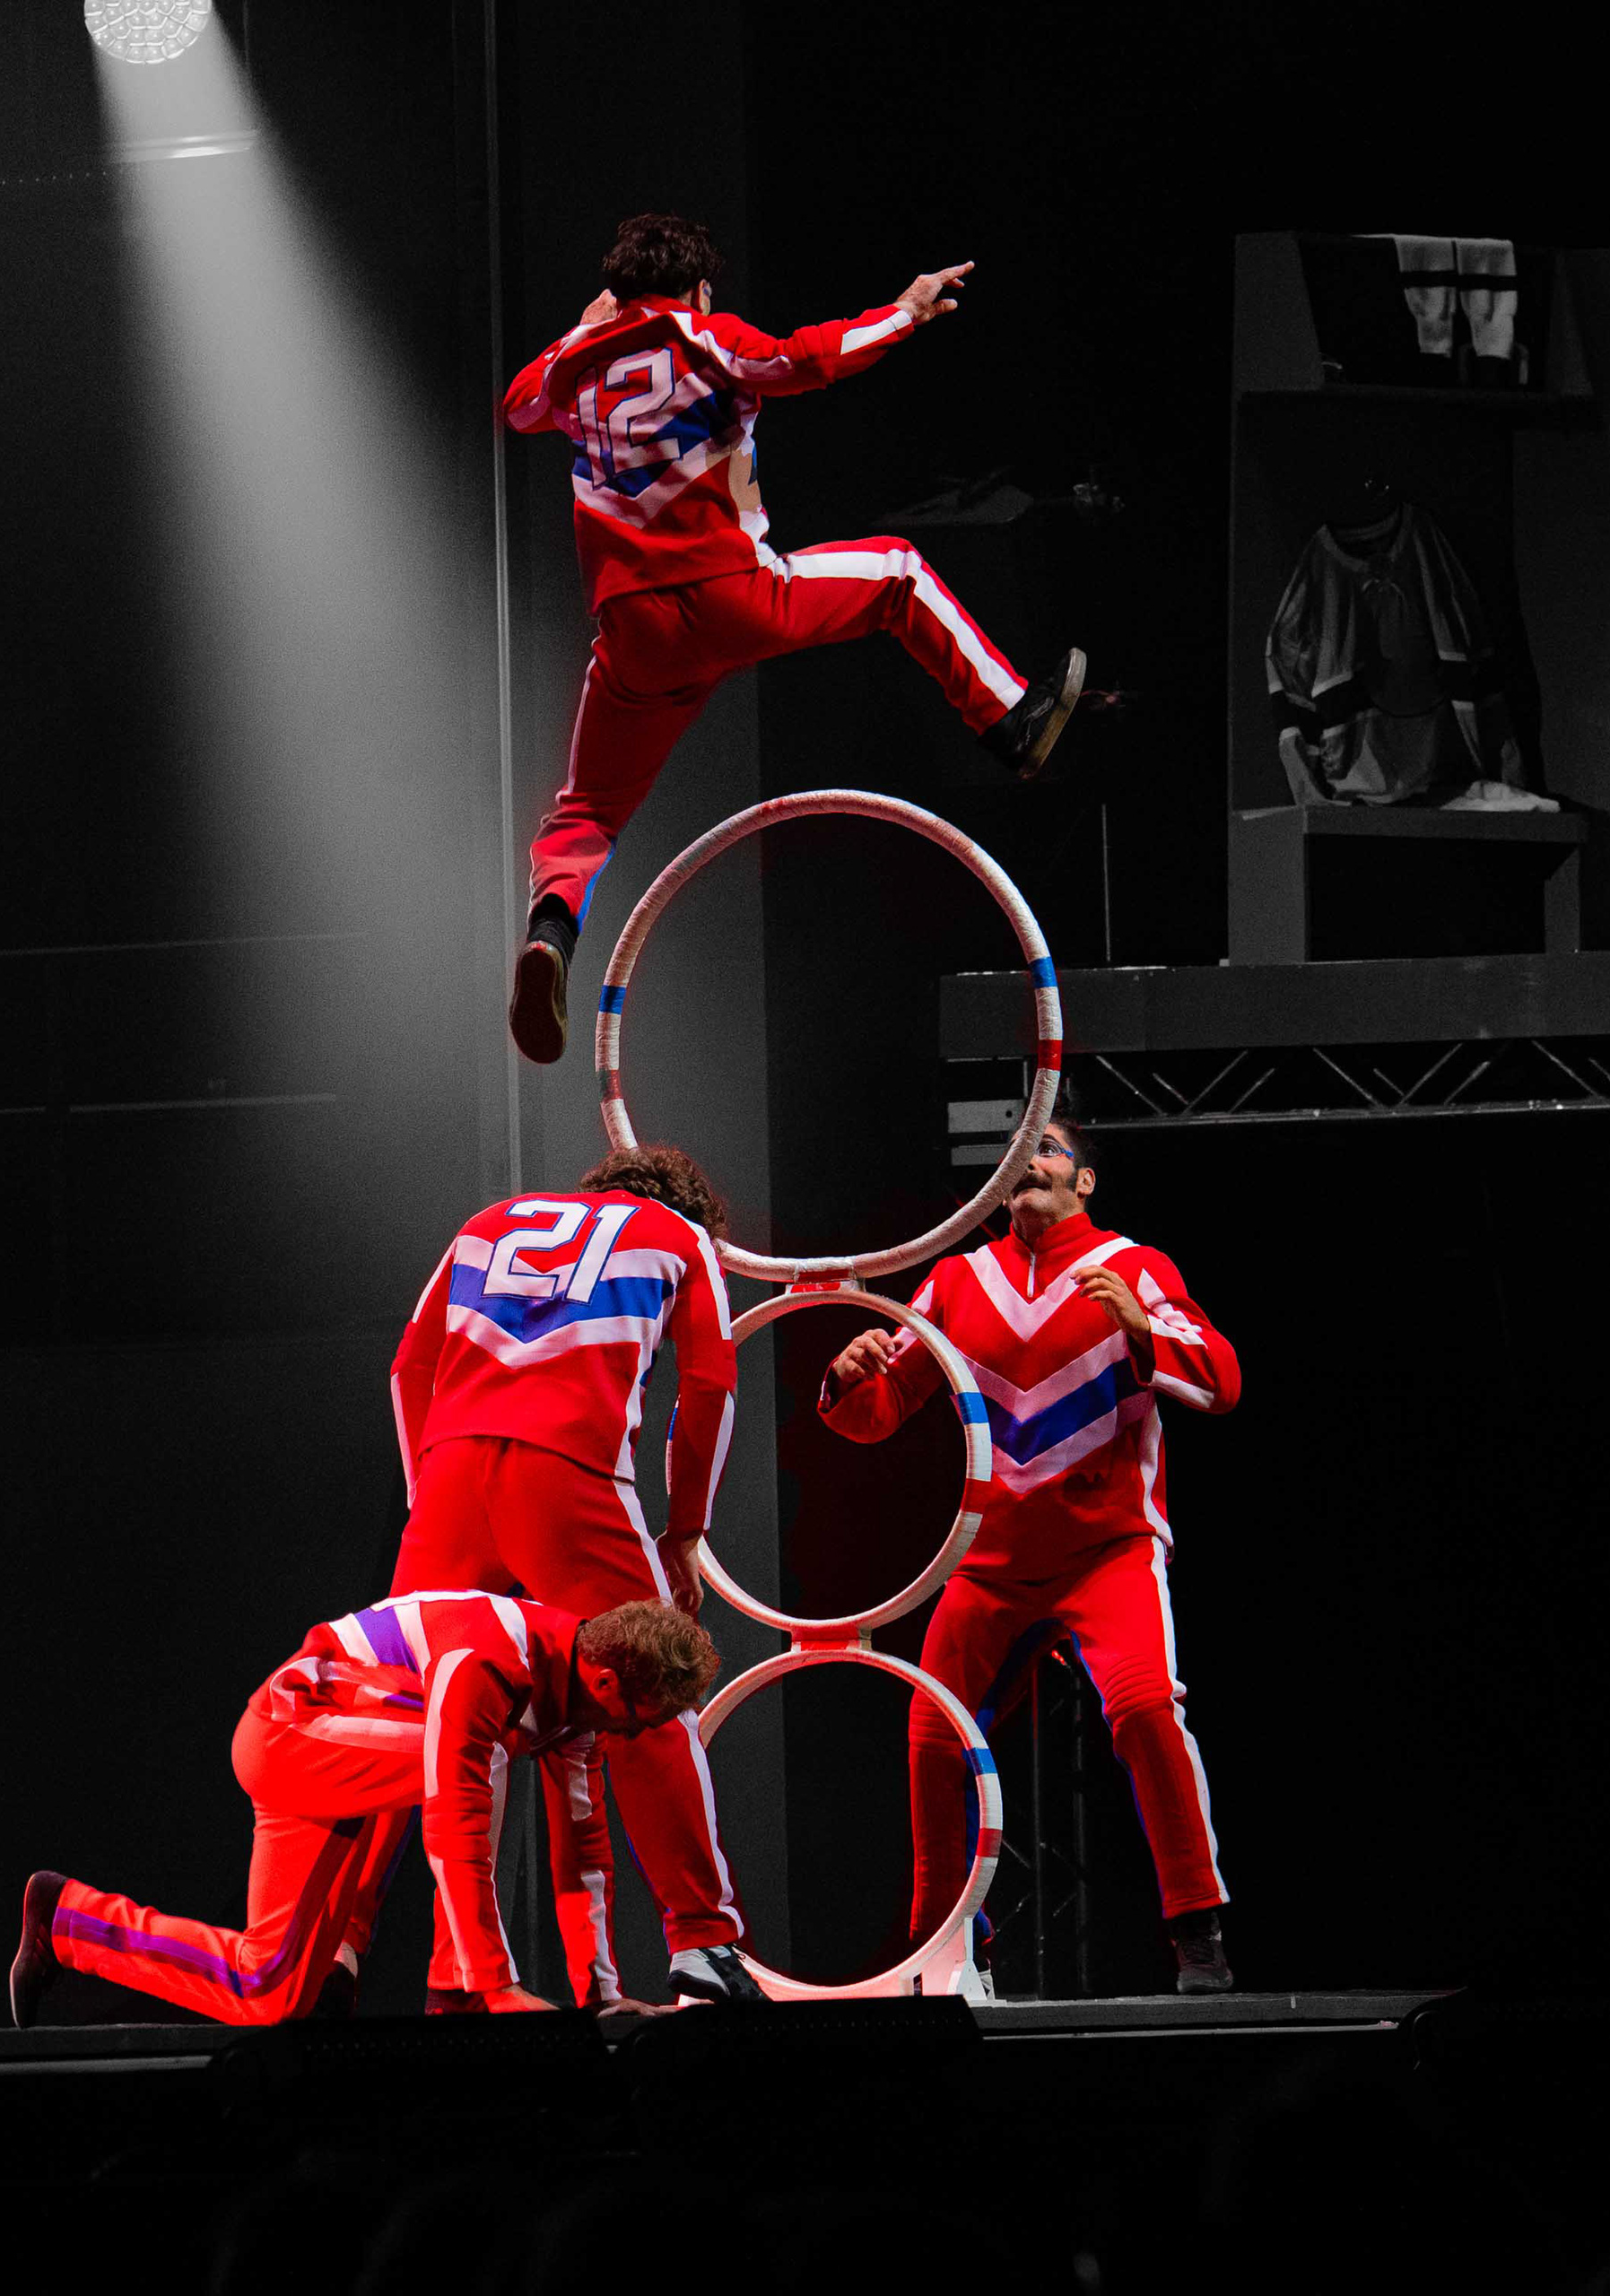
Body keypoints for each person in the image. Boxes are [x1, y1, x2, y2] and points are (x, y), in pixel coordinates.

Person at [498, 211, 1100, 1065]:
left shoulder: (573, 365)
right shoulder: (702, 335)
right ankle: (1012, 723)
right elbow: (806, 359)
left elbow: (517, 408)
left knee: (587, 809)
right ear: (699, 288)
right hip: (732, 596)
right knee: (897, 573)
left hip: (633, 632)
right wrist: (905, 313)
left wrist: (583, 329)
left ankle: (551, 934)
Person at [816, 1117, 1244, 1991]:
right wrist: (844, 1377)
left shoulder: (1133, 1265)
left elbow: (1222, 1381)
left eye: (1049, 1148)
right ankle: (947, 1952)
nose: (1029, 1161)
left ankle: (1197, 1930)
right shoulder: (956, 1280)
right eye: (1018, 1152)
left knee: (1146, 1709)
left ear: (1085, 1181)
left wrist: (1143, 1331)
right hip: (993, 1564)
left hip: (1108, 1550)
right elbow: (876, 1414)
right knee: (933, 1736)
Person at [386, 1141, 761, 2007]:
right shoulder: (681, 1236)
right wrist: (686, 1530)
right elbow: (710, 1386)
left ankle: (390, 1961)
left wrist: (427, 1493)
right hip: (571, 1475)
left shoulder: (485, 1222)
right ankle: (703, 1942)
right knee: (651, 1699)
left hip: (448, 1478)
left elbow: (408, 1369)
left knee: (419, 1720)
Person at [12, 1593, 720, 2026]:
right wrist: (493, 1986)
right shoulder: (493, 1660)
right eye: (644, 1720)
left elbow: (585, 1858)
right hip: (292, 1731)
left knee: (267, 1991)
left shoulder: (580, 1712)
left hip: (341, 1761)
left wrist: (602, 1998)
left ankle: (66, 1922)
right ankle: (462, 1991)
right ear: (606, 1681)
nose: (638, 1735)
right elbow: (455, 1818)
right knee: (475, 1762)